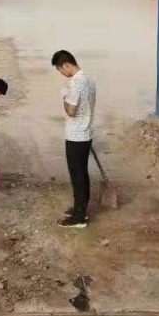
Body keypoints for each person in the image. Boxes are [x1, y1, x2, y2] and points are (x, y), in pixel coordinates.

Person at [51, 50, 96, 229]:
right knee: (82, 173)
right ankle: (81, 208)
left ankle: (79, 217)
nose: (61, 73)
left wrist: (64, 96)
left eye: (60, 70)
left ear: (66, 65)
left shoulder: (76, 83)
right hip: (86, 133)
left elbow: (71, 111)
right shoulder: (89, 80)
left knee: (77, 175)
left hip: (76, 136)